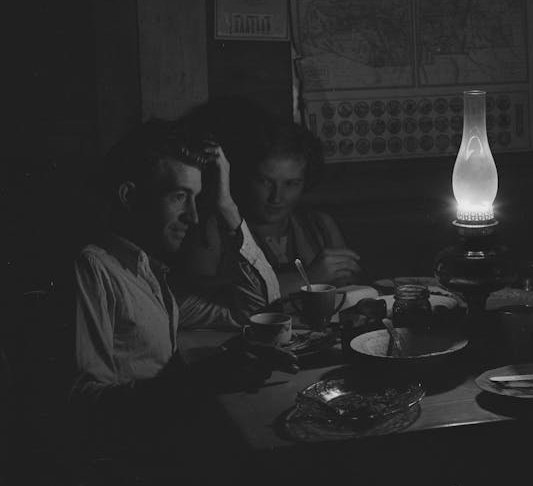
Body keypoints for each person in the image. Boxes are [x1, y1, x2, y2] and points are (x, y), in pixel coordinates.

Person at [71, 119, 294, 443]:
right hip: (140, 459)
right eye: (178, 196)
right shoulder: (93, 268)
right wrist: (199, 379)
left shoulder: (147, 272)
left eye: (196, 198)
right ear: (129, 196)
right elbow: (86, 407)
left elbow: (258, 311)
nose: (193, 216)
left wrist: (226, 206)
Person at [179, 104, 362, 297]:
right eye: (265, 181)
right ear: (246, 176)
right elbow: (203, 298)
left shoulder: (320, 226)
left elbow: (350, 290)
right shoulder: (214, 229)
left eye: (291, 183)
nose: (277, 197)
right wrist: (308, 278)